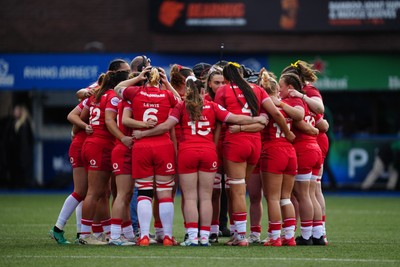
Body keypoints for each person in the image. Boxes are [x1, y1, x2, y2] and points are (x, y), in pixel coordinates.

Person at [132, 76, 266, 246]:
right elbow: (236, 118)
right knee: (205, 197)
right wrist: (257, 120)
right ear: (203, 91)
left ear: (188, 92)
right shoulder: (212, 106)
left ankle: (192, 236)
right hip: (209, 153)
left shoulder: (182, 106)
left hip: (187, 153)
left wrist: (143, 134)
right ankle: (204, 237)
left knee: (189, 198)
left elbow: (166, 126)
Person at [214, 62, 295, 246]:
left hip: (234, 142)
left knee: (238, 191)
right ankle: (249, 233)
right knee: (242, 189)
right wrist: (288, 133)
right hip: (255, 144)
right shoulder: (257, 89)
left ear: (226, 78)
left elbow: (219, 120)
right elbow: (275, 113)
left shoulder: (224, 91)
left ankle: (240, 236)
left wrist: (214, 145)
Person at [115, 66, 180, 246]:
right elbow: (179, 100)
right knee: (165, 192)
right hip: (163, 145)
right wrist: (166, 83)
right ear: (160, 79)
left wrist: (137, 79)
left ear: (144, 78)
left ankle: (144, 236)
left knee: (144, 191)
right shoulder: (167, 95)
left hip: (141, 146)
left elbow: (117, 88)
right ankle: (167, 236)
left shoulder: (134, 92)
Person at [78, 59, 131, 245]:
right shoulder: (113, 96)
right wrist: (123, 138)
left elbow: (79, 115)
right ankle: (84, 235)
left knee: (102, 192)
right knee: (94, 192)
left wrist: (85, 127)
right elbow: (110, 121)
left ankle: (106, 231)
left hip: (91, 144)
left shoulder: (96, 94)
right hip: (101, 146)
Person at [49, 98, 91, 245]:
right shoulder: (97, 95)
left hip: (88, 146)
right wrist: (83, 126)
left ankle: (80, 233)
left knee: (85, 193)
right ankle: (58, 228)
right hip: (82, 146)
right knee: (80, 191)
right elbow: (73, 115)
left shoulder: (103, 94)